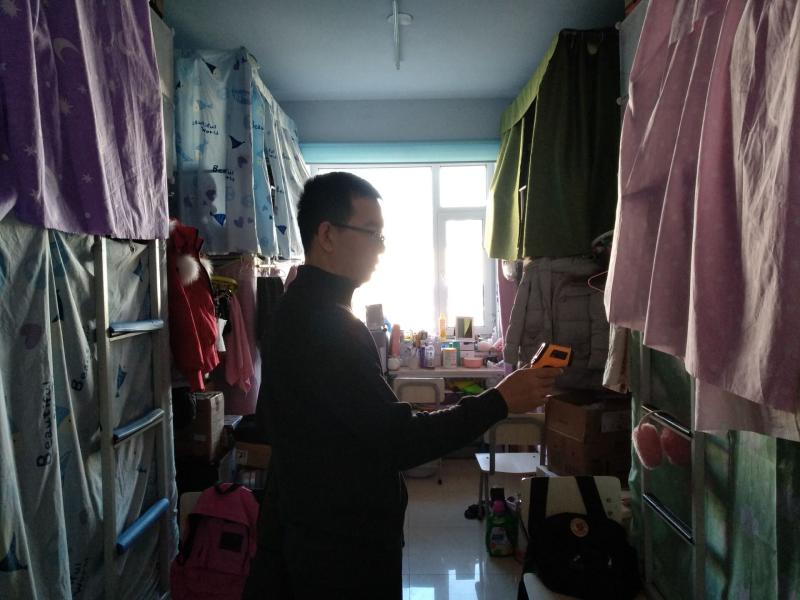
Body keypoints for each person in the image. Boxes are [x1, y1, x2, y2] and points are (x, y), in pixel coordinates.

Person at [242, 172, 561, 599]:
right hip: (340, 551)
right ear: (327, 235)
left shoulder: (299, 308)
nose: (381, 247)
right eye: (371, 232)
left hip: (310, 530)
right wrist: (500, 400)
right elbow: (400, 442)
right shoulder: (325, 324)